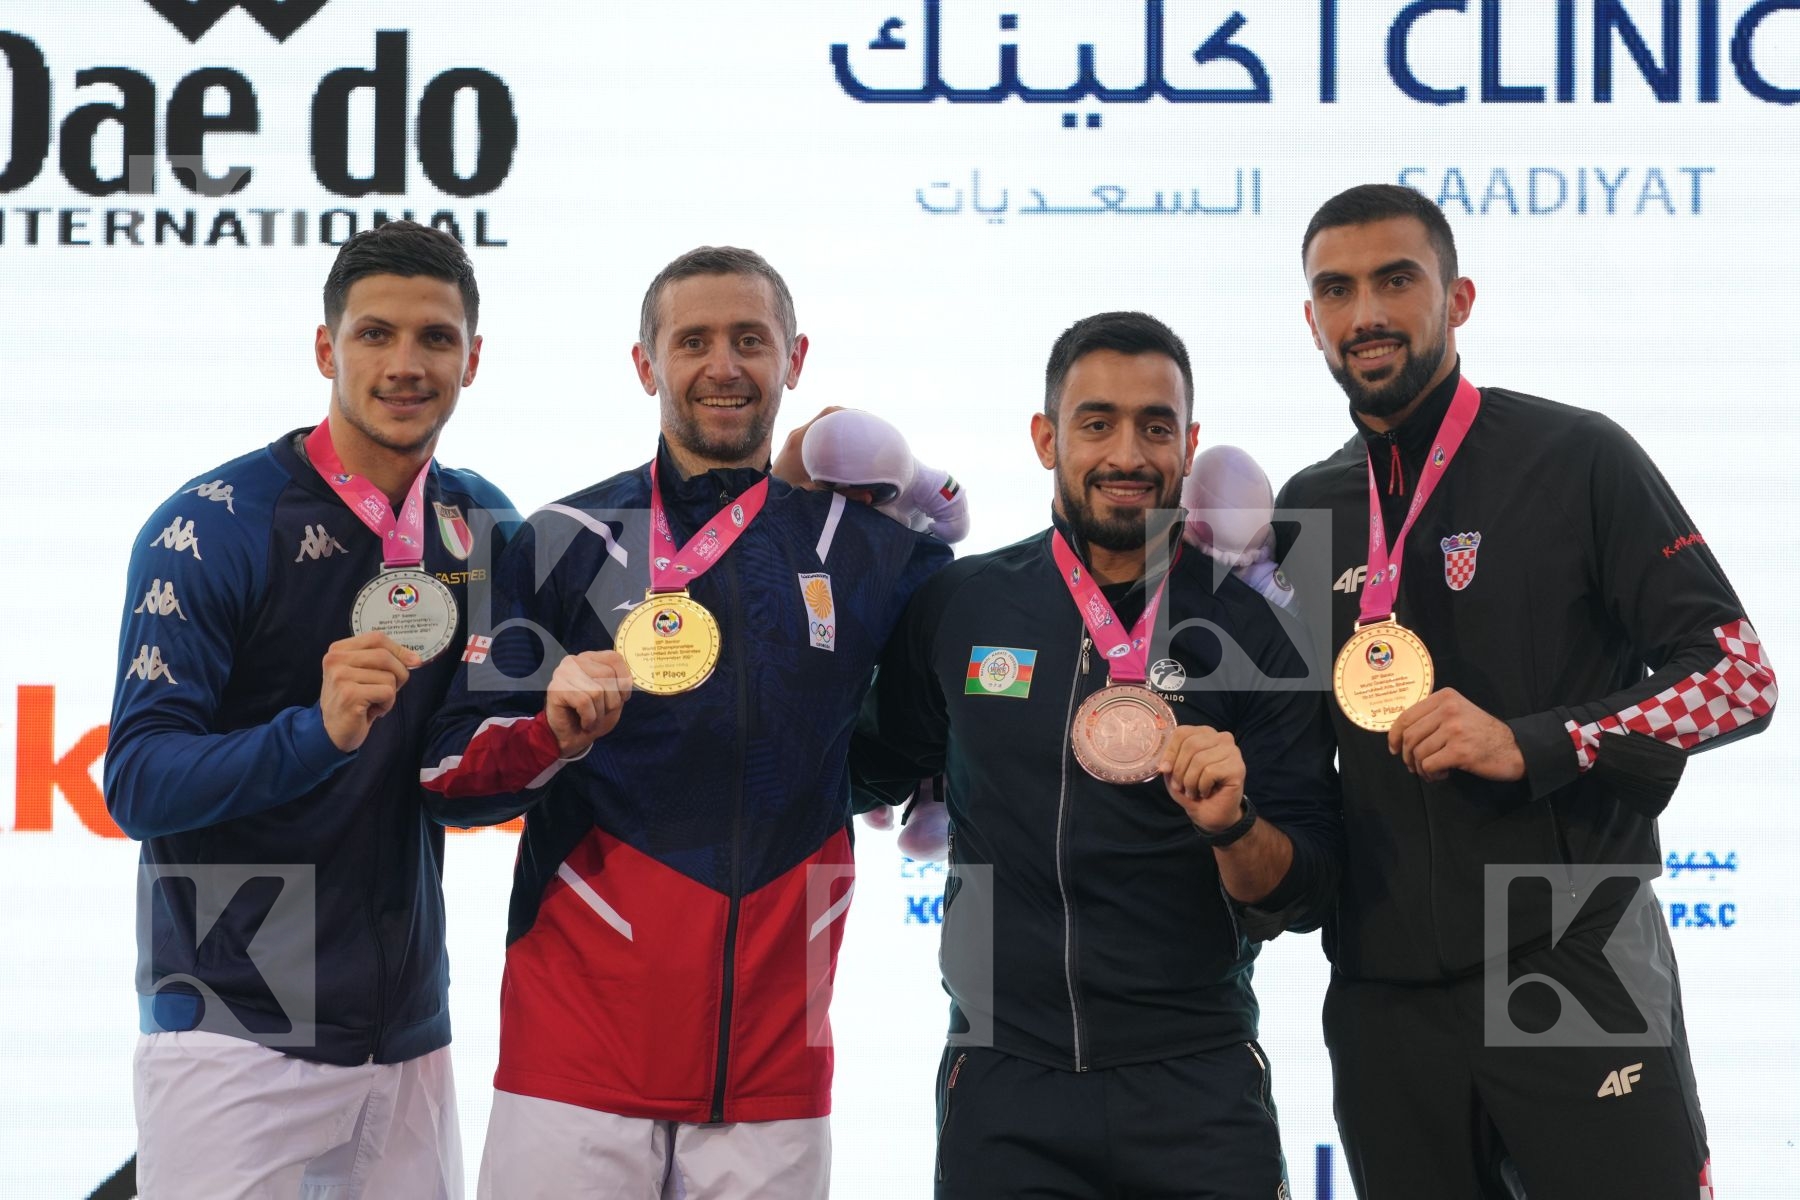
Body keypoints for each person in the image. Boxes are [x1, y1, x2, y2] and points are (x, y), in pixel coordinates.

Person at [419, 246, 956, 1198]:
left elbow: (939, 717)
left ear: (794, 358)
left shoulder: (868, 550)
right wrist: (552, 732)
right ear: (645, 364)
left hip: (775, 1069)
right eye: (694, 340)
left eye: (750, 340)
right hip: (577, 1066)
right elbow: (448, 778)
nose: (723, 365)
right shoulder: (561, 542)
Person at [1278, 183, 1778, 1199]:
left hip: (1573, 948)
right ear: (1312, 320)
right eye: (1337, 288)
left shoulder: (1575, 454)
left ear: (1458, 298)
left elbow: (1737, 678)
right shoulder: (1305, 510)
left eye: (1395, 279)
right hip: (1383, 995)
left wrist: (1543, 741)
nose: (1365, 311)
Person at [853, 311, 1343, 1199]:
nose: (1128, 453)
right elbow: (869, 765)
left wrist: (1233, 824)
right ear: (1046, 438)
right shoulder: (960, 608)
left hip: (1196, 1080)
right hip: (1005, 1080)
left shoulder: (1258, 632)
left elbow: (1306, 890)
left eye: (1156, 426)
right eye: (1097, 423)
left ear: (1190, 444)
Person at [106, 219, 511, 1197]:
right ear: (326, 348)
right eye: (375, 334)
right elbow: (138, 782)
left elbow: (459, 778)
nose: (405, 364)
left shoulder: (483, 523)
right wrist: (315, 734)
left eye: (435, 338)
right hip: (233, 1033)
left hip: (407, 1036)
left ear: (474, 358)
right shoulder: (211, 525)